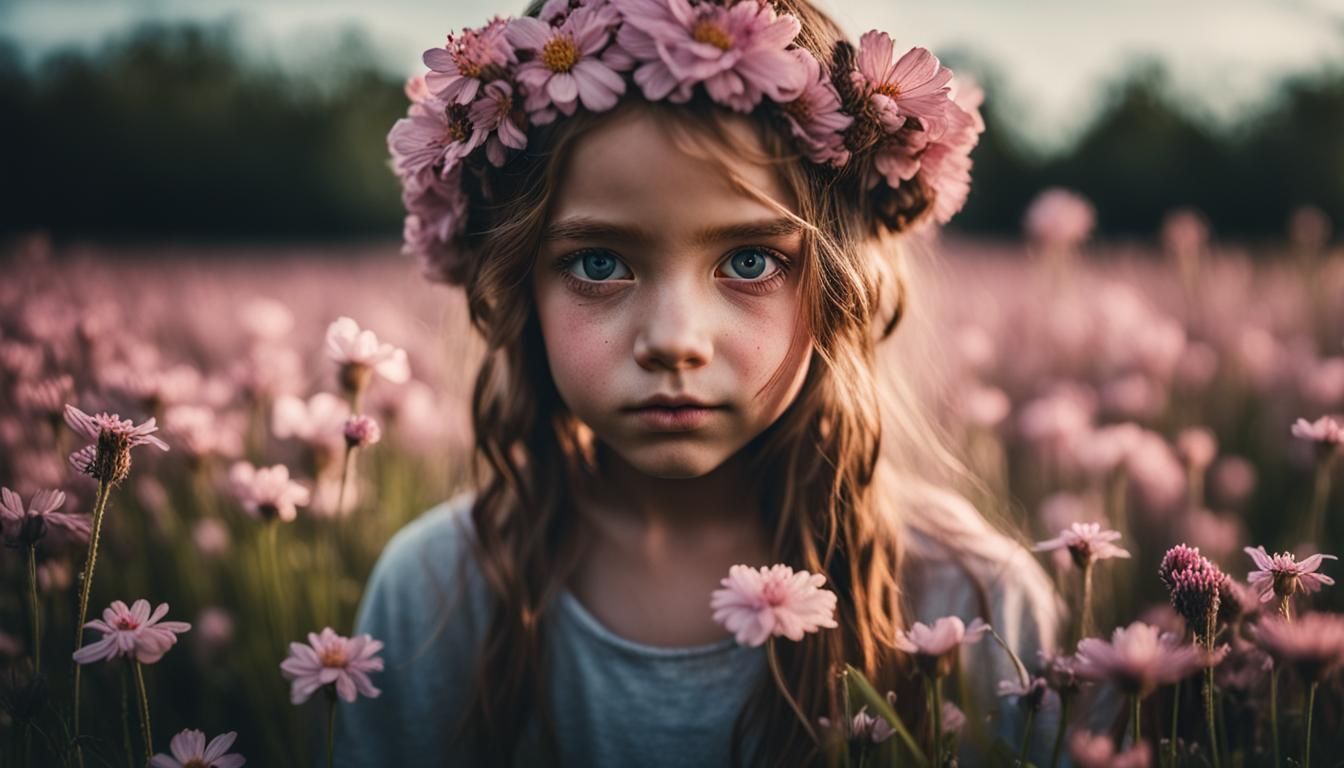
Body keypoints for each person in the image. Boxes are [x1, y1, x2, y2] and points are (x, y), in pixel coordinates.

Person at [338, 0, 1063, 765]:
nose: (674, 342)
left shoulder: (973, 601)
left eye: (750, 260)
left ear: (839, 288)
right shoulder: (432, 597)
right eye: (599, 263)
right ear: (519, 290)